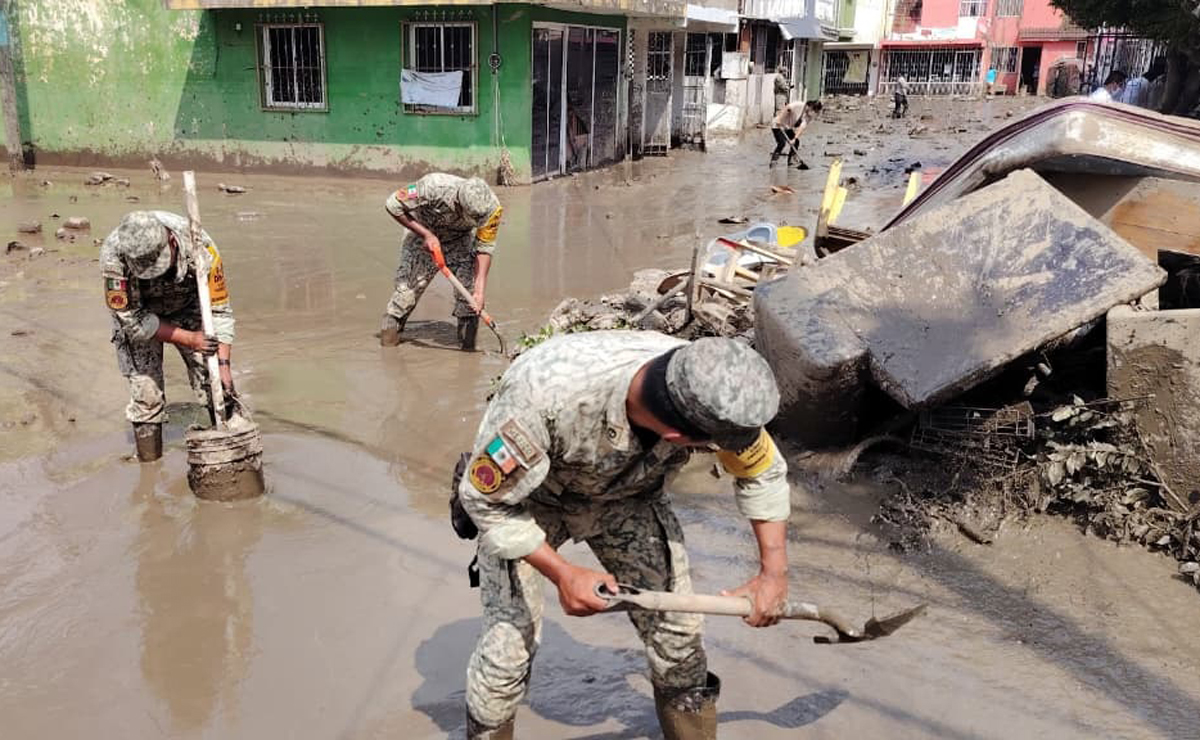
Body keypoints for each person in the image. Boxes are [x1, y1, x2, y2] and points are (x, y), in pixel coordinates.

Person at [455, 332, 792, 739]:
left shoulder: (710, 388)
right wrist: (563, 573)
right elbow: (484, 501)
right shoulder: (542, 395)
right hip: (530, 503)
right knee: (505, 653)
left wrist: (773, 574)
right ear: (679, 440)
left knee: (679, 639)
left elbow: (761, 470)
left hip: (628, 499)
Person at [101, 211, 237, 462]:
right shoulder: (114, 257)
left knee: (215, 383)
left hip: (189, 304)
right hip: (141, 315)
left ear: (172, 243)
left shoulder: (201, 246)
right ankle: (149, 470)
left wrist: (224, 364)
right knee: (146, 395)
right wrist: (189, 338)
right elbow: (130, 320)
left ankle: (230, 451)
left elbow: (220, 310)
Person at [379, 173, 502, 350]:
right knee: (404, 296)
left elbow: (485, 246)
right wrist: (427, 235)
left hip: (460, 240)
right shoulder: (433, 186)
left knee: (470, 302)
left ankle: (467, 353)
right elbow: (393, 204)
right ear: (459, 205)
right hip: (422, 235)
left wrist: (480, 290)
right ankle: (389, 347)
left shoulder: (492, 208)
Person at [770, 99, 823, 169]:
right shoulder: (799, 105)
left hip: (787, 127)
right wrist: (780, 119)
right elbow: (788, 108)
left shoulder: (808, 117)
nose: (814, 113)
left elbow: (801, 128)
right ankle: (774, 161)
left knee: (796, 142)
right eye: (815, 111)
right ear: (811, 107)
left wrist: (794, 139)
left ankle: (791, 161)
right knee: (782, 143)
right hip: (777, 125)